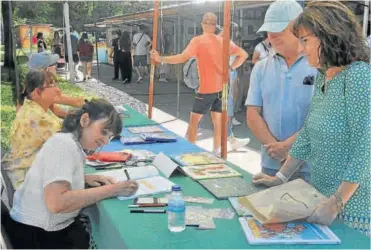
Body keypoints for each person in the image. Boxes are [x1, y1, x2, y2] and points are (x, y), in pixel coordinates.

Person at [253, 1, 370, 236]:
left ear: (329, 36)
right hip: (319, 197)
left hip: (350, 206)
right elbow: (308, 132)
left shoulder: (358, 77)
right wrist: (281, 177)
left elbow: (366, 148)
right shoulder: (322, 76)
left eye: (305, 40)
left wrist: (337, 202)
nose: (302, 48)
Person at [5, 99, 139, 248]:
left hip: (35, 229)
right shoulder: (64, 145)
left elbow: (51, 177)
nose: (106, 141)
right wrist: (112, 190)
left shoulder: (67, 141)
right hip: (38, 236)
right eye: (104, 131)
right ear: (85, 120)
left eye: (110, 136)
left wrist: (83, 179)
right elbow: (57, 203)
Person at [151, 12, 248, 154]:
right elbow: (243, 55)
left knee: (194, 122)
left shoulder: (198, 41)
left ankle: (190, 151)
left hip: (206, 89)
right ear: (215, 26)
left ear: (202, 24)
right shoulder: (225, 41)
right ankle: (216, 150)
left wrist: (161, 59)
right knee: (218, 122)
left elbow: (182, 57)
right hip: (222, 88)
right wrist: (231, 67)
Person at [245, 0, 317, 182]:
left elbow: (321, 119)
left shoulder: (318, 66)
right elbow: (253, 114)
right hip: (271, 162)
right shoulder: (261, 68)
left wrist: (288, 147)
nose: (273, 36)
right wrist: (276, 149)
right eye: (270, 31)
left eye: (279, 30)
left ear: (300, 29)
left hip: (312, 166)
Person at [2, 70, 63, 190]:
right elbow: (69, 141)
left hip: (28, 174)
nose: (57, 89)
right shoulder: (37, 117)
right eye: (52, 85)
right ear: (37, 92)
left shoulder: (33, 108)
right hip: (29, 183)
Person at [27, 52, 85, 118]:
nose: (56, 67)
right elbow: (75, 102)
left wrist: (68, 114)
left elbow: (52, 108)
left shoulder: (32, 83)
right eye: (55, 65)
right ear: (46, 69)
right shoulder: (44, 87)